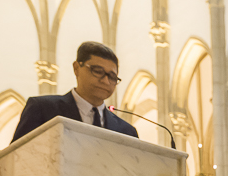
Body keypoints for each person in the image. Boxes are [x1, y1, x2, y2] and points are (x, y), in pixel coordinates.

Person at [11, 41, 139, 142]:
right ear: (76, 68)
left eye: (112, 77)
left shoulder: (126, 131)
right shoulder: (43, 109)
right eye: (98, 71)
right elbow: (16, 160)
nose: (106, 81)